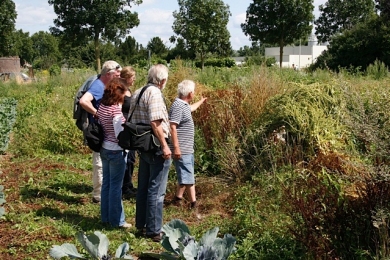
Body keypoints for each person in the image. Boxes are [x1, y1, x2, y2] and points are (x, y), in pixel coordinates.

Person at [129, 64, 171, 242]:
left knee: (144, 186)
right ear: (162, 81)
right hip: (155, 145)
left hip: (143, 145)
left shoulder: (138, 91)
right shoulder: (154, 93)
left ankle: (141, 224)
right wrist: (165, 145)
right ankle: (154, 230)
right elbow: (155, 123)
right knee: (157, 188)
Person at [79, 60, 122, 203]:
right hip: (99, 132)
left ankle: (102, 192)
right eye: (117, 74)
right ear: (109, 74)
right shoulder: (98, 86)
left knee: (102, 162)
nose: (118, 76)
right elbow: (84, 101)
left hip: (103, 131)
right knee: (99, 162)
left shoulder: (103, 84)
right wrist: (97, 113)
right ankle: (98, 195)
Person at [96, 77, 131, 228]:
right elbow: (119, 135)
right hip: (116, 151)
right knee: (116, 187)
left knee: (107, 185)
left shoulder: (102, 106)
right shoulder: (116, 111)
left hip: (104, 148)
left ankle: (105, 217)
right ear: (119, 94)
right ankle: (118, 221)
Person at [169, 80, 207, 209]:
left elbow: (191, 108)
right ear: (190, 93)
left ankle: (177, 199)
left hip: (186, 148)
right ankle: (193, 204)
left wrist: (201, 101)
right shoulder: (178, 106)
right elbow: (172, 127)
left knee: (185, 174)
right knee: (189, 177)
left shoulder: (183, 105)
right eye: (194, 92)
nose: (194, 93)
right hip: (182, 148)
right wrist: (176, 148)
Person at [120, 66, 137, 199]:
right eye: (132, 77)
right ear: (126, 78)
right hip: (123, 127)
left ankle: (128, 184)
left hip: (130, 126)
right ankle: (124, 187)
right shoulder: (120, 91)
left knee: (131, 158)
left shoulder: (129, 90)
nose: (134, 79)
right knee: (126, 158)